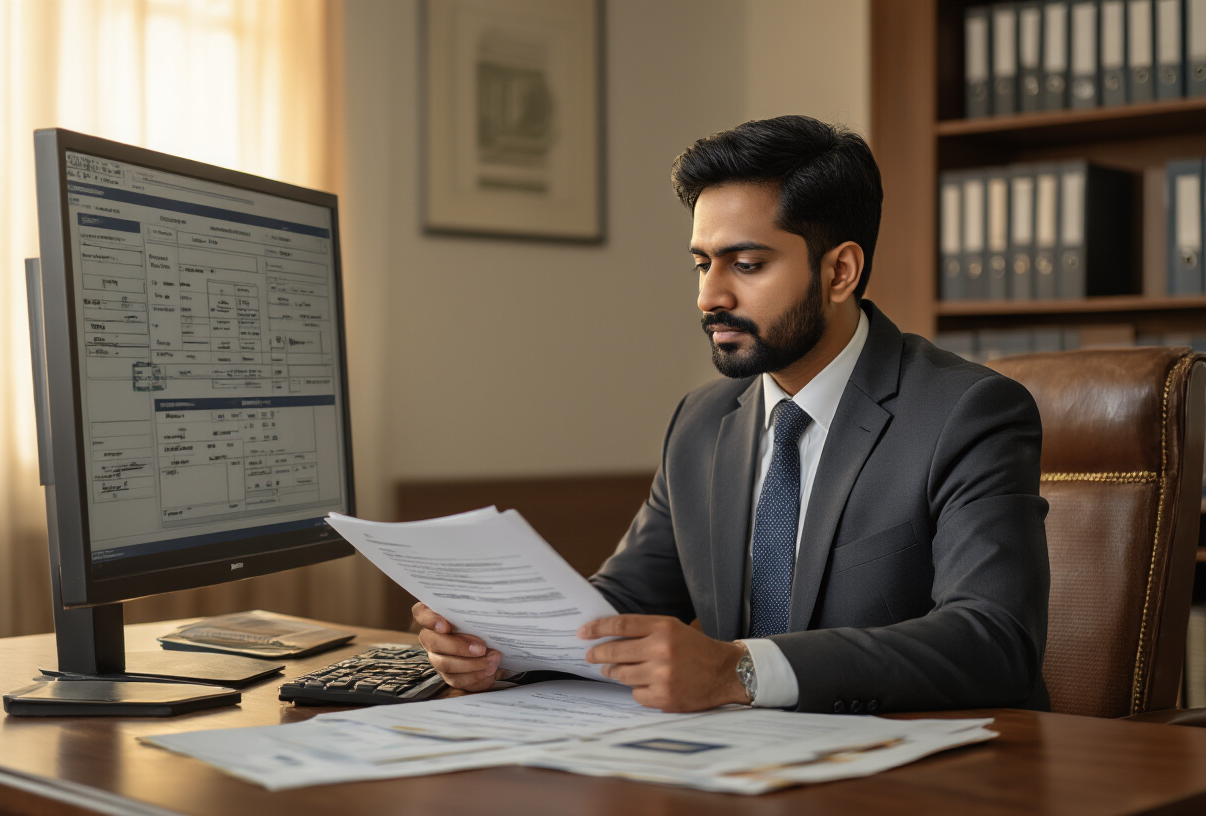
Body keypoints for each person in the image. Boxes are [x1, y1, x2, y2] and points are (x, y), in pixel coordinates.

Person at [413, 115, 1050, 715]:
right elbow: (623, 602)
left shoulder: (967, 412)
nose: (709, 296)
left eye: (746, 265)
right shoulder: (702, 420)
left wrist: (737, 670)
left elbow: (992, 638)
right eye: (702, 263)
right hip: (736, 770)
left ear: (840, 271)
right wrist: (504, 646)